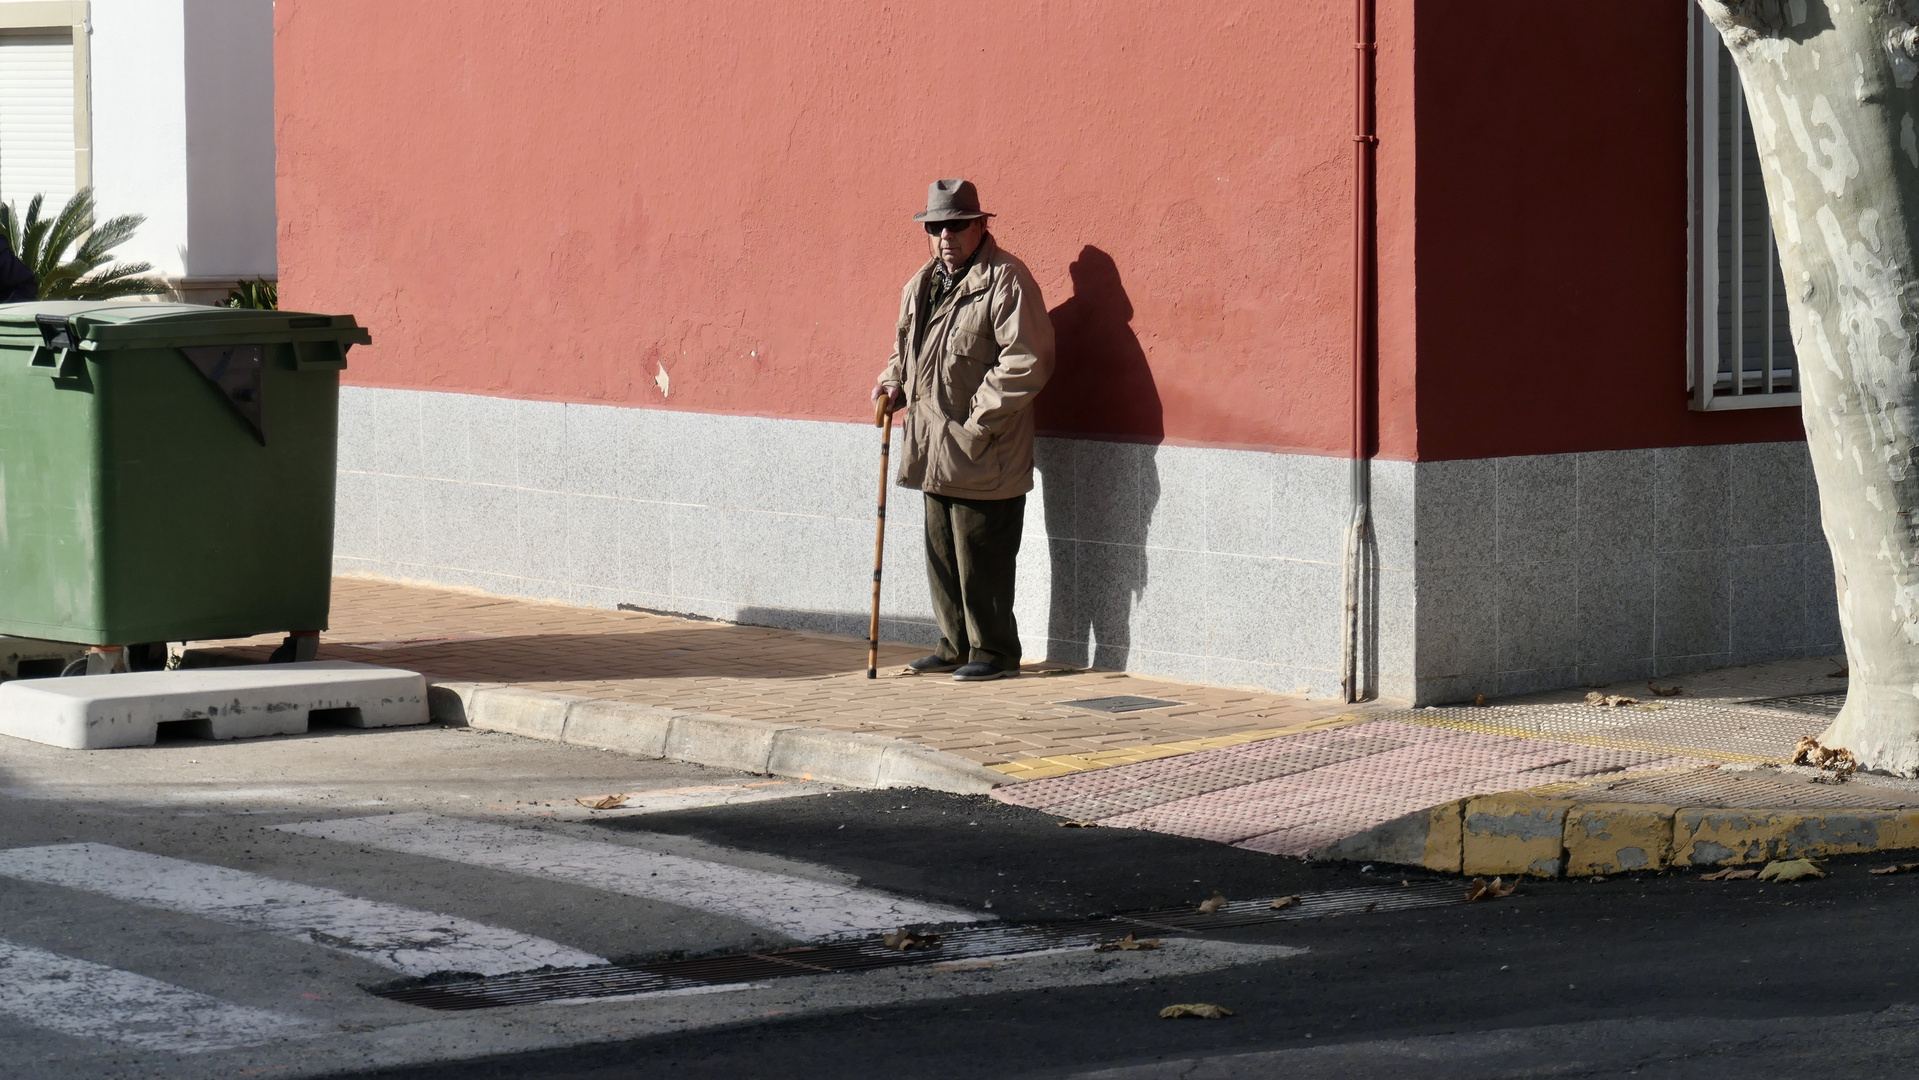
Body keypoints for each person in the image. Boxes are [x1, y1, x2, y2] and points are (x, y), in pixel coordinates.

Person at [873, 179, 1055, 682]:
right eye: (936, 227)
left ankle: (993, 652)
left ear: (980, 225)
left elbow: (1027, 362)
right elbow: (904, 354)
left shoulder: (1006, 280)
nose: (945, 236)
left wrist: (976, 425)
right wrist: (892, 387)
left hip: (984, 450)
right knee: (942, 556)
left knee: (982, 557)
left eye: (956, 225)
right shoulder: (921, 286)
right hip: (932, 448)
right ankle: (953, 645)